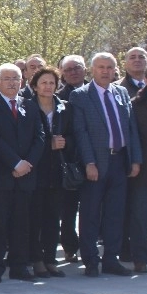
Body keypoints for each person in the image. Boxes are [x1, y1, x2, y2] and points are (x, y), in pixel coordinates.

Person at [70, 52, 142, 277]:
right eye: (101, 67)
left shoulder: (121, 92)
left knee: (115, 213)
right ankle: (91, 260)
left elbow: (131, 129)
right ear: (93, 70)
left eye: (110, 67)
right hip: (96, 163)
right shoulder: (80, 96)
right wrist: (89, 162)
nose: (105, 71)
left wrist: (135, 159)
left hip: (119, 161)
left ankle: (111, 258)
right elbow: (80, 133)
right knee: (90, 214)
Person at [0, 64, 44, 282]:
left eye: (16, 79)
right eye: (7, 79)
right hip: (1, 177)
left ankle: (19, 266)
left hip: (26, 176)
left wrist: (28, 163)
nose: (12, 83)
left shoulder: (30, 106)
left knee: (21, 225)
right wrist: (15, 163)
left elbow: (40, 137)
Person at [28, 67, 73, 278]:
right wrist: (49, 144)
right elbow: (25, 140)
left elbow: (73, 136)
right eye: (43, 83)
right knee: (35, 217)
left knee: (53, 219)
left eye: (52, 83)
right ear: (35, 86)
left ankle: (50, 259)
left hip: (57, 171)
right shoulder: (27, 107)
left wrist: (64, 143)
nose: (48, 87)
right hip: (35, 170)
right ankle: (36, 259)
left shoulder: (65, 108)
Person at [57, 54, 87, 262]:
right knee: (68, 211)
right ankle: (70, 246)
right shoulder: (59, 98)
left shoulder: (95, 92)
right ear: (62, 74)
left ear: (85, 69)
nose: (73, 72)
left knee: (91, 209)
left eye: (77, 68)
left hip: (95, 158)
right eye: (68, 70)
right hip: (70, 161)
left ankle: (89, 247)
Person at [129, 62, 147, 272]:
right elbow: (133, 137)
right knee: (141, 217)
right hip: (145, 170)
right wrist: (135, 162)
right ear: (145, 79)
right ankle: (140, 258)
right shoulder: (136, 105)